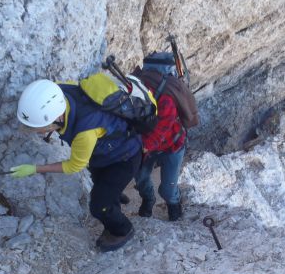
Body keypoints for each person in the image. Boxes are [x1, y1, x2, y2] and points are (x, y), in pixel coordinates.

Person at [10, 79, 142, 252]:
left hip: (124, 156)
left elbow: (74, 166)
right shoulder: (60, 94)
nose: (39, 132)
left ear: (56, 118)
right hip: (104, 154)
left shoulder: (85, 132)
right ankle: (114, 196)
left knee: (98, 206)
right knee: (101, 183)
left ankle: (122, 230)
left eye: (41, 127)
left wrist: (35, 169)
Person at [132, 53, 189, 221]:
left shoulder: (166, 98)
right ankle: (148, 200)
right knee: (141, 178)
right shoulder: (136, 91)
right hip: (149, 144)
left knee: (168, 188)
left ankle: (174, 203)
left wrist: (138, 149)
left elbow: (160, 131)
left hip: (172, 145)